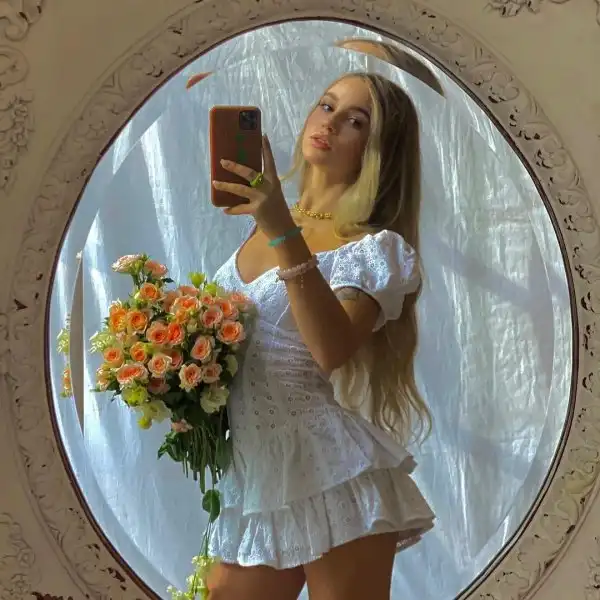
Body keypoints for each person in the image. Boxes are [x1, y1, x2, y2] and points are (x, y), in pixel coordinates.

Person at [207, 72, 435, 600]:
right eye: (327, 106)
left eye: (356, 121)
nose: (330, 123)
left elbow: (330, 349)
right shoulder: (259, 225)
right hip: (257, 475)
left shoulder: (374, 249)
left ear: (378, 151)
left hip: (331, 471)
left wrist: (282, 230)